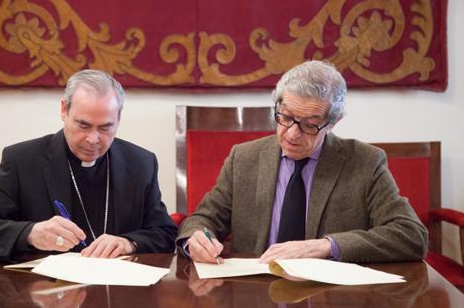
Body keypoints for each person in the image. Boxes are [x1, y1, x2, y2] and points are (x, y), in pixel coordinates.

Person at [177, 60, 428, 264]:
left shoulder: (363, 162)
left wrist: (327, 246)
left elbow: (411, 235)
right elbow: (202, 219)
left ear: (332, 123)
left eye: (309, 125)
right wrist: (197, 238)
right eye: (285, 117)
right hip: (253, 290)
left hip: (331, 296)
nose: (292, 133)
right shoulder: (244, 158)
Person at [0, 69, 177, 262]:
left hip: (117, 292)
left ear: (118, 119)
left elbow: (165, 234)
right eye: (83, 125)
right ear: (64, 110)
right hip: (43, 293)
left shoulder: (141, 163)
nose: (93, 139)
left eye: (104, 128)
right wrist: (31, 233)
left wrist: (129, 243)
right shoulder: (22, 160)